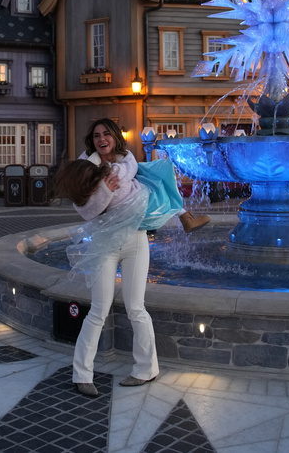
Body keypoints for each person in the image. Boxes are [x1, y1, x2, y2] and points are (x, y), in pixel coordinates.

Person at [52, 118, 186, 398]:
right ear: (92, 141)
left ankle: (146, 369)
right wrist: (105, 190)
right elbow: (86, 212)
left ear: (115, 137)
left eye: (106, 134)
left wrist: (114, 183)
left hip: (136, 240)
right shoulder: (83, 167)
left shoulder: (128, 162)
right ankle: (82, 375)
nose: (102, 139)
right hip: (105, 244)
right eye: (96, 135)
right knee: (98, 310)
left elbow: (139, 185)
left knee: (137, 308)